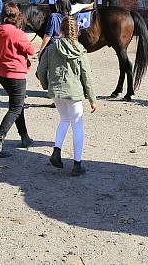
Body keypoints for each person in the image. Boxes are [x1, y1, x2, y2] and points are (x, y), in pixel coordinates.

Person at [37, 15, 97, 176]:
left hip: (56, 91)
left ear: (60, 30)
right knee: (77, 125)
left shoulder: (50, 48)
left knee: (64, 120)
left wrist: (46, 85)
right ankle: (77, 164)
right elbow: (87, 76)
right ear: (76, 31)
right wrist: (92, 98)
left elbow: (40, 71)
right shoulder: (80, 50)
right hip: (74, 92)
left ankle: (56, 152)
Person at [0, 3, 36, 157]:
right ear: (17, 17)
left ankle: (25, 137)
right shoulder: (17, 33)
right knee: (16, 108)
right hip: (15, 74)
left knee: (17, 105)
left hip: (1, 73)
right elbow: (31, 50)